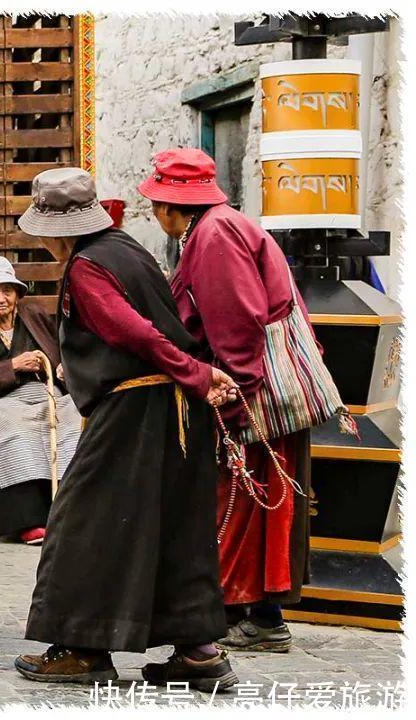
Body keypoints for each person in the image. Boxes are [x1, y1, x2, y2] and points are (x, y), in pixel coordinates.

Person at [12, 167, 241, 691]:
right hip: (174, 409)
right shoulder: (128, 248)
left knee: (83, 523)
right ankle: (198, 653)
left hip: (133, 411)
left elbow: (137, 332)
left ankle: (80, 648)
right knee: (174, 527)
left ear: (56, 230)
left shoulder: (87, 266)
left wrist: (198, 373)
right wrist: (194, 376)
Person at [139, 148, 316, 653]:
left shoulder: (215, 236)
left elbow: (237, 324)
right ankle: (262, 616)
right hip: (253, 391)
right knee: (258, 510)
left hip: (248, 393)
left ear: (175, 207)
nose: (155, 213)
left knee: (238, 508)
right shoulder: (224, 226)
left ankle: (240, 616)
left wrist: (234, 407)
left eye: (157, 204)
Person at [0, 256, 79, 545]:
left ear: (17, 294)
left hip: (47, 395)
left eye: (7, 290)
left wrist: (60, 367)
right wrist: (14, 366)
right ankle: (30, 520)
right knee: (14, 429)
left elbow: (63, 352)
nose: (1, 298)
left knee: (73, 419)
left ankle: (72, 513)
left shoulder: (35, 316)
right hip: (0, 402)